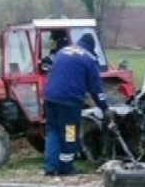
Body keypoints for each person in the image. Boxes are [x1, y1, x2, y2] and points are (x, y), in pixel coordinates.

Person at [42, 33, 111, 176]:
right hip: (69, 101)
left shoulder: (63, 51)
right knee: (70, 133)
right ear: (92, 47)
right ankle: (66, 167)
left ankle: (50, 167)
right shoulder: (88, 59)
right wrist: (105, 108)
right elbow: (96, 89)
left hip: (49, 98)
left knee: (53, 131)